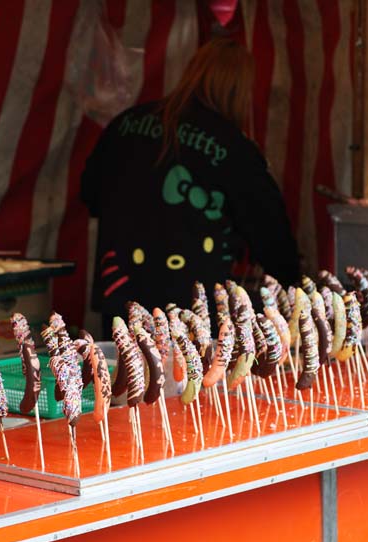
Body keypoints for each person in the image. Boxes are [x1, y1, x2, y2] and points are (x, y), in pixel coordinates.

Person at [81, 38, 301, 330]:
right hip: (191, 311)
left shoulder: (126, 124)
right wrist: (293, 283)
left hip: (122, 296)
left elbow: (90, 194)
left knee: (124, 371)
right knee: (182, 375)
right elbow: (270, 234)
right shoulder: (235, 149)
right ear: (239, 90)